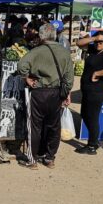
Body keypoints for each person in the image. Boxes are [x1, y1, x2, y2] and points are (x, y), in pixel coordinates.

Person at [17, 23, 74, 169]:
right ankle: (49, 158)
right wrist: (66, 93)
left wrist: (26, 79)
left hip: (38, 92)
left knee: (34, 126)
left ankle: (32, 160)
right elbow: (69, 78)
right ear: (54, 35)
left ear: (41, 36)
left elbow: (21, 65)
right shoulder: (64, 52)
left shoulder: (36, 51)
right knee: (54, 126)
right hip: (56, 93)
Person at [75, 31, 103, 154]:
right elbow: (78, 43)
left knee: (92, 118)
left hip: (97, 91)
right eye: (97, 41)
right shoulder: (93, 49)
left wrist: (97, 73)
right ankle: (94, 140)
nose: (98, 43)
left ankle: (92, 146)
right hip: (88, 91)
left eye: (101, 41)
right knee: (85, 115)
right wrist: (93, 38)